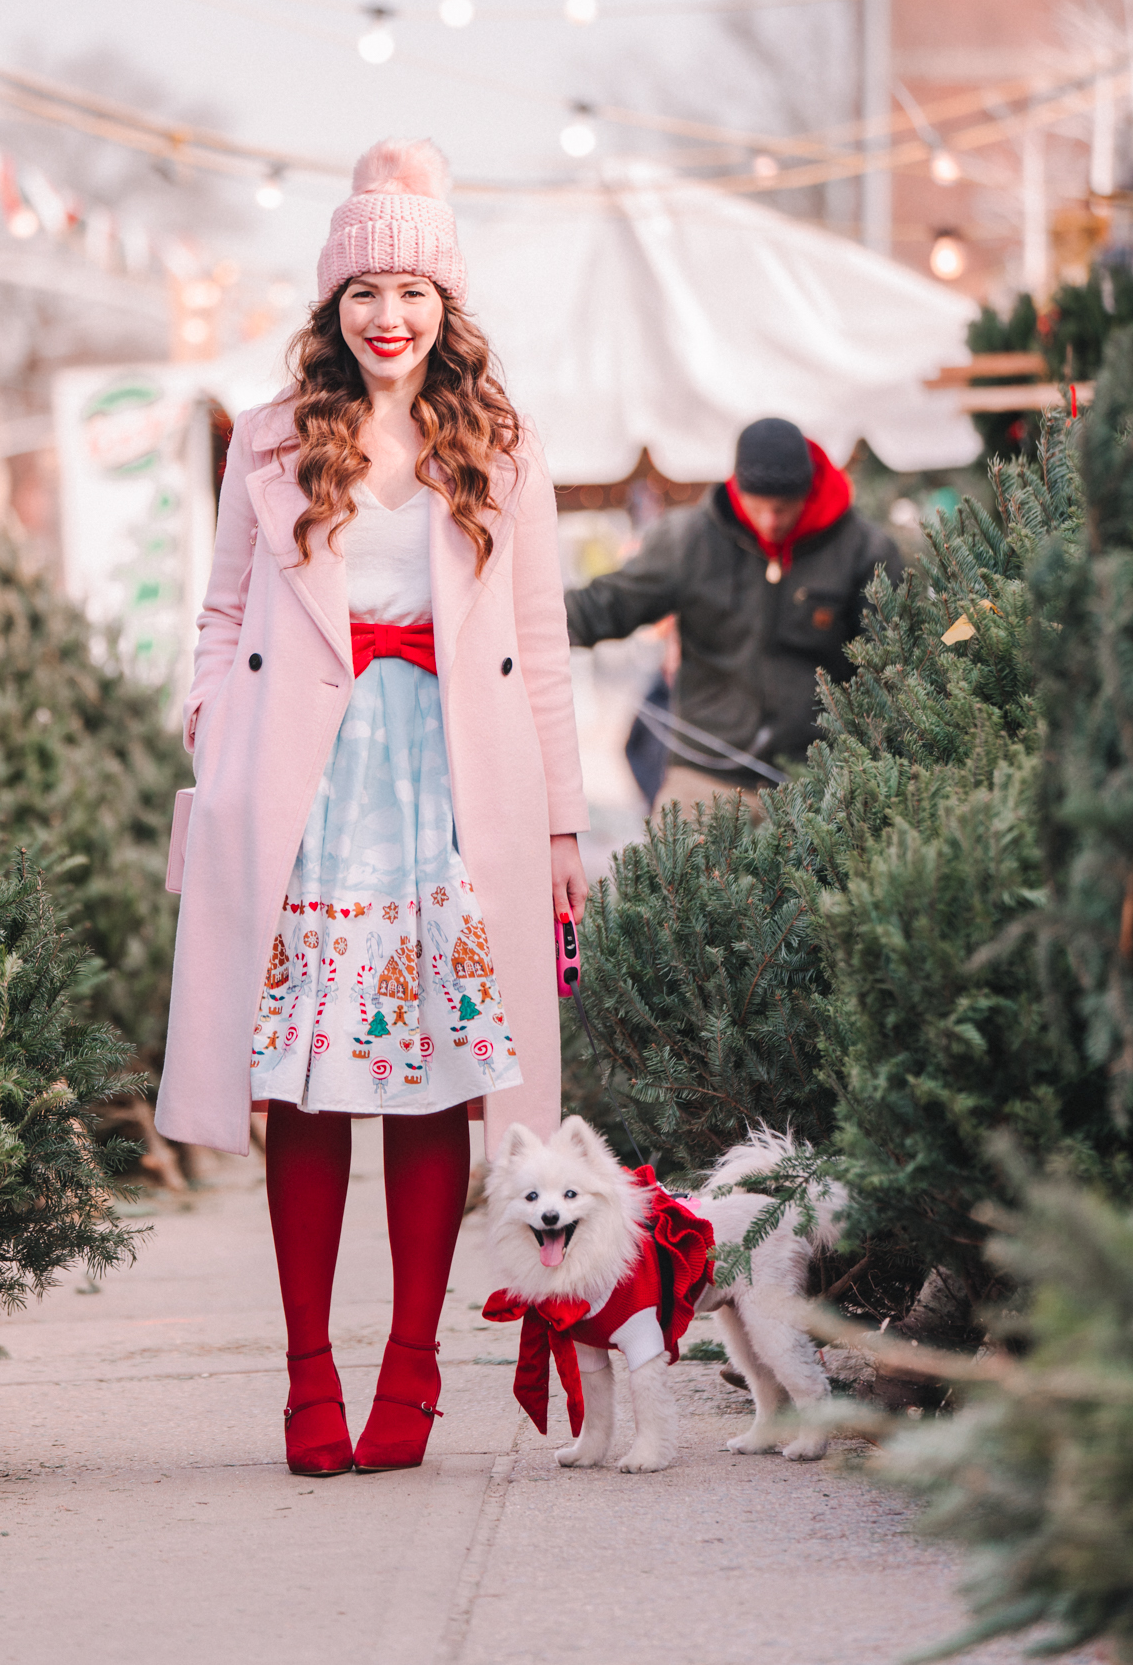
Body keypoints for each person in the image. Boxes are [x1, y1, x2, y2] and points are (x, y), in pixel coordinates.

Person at [155, 138, 588, 1480]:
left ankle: (412, 1372)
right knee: (307, 1090)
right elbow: (225, 612)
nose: (387, 316)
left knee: (431, 1091)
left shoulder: (500, 445)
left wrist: (563, 826)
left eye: (411, 290)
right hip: (309, 787)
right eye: (363, 292)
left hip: (458, 791)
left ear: (444, 309)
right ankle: (306, 1380)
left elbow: (543, 639)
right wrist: (216, 738)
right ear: (332, 310)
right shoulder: (274, 439)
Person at [566, 417, 901, 808]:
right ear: (736, 487)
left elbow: (893, 665)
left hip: (819, 783)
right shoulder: (688, 540)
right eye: (757, 507)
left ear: (807, 492)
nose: (769, 522)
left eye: (782, 509)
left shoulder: (865, 553)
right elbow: (607, 604)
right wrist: (525, 629)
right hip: (702, 776)